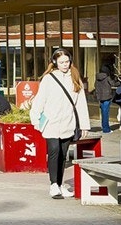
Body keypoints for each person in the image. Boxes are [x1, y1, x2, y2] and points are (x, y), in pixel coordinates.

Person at [29, 47, 90, 199]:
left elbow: (81, 103)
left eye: (67, 61)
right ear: (55, 62)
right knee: (54, 151)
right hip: (51, 122)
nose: (65, 64)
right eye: (61, 62)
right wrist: (35, 119)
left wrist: (84, 125)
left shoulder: (75, 78)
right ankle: (53, 184)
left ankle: (60, 183)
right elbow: (40, 99)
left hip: (68, 122)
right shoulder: (49, 79)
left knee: (63, 155)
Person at [93, 66, 117, 134]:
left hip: (100, 98)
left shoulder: (97, 78)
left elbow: (95, 86)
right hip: (107, 97)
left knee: (103, 113)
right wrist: (119, 82)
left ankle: (104, 127)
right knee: (106, 113)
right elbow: (113, 84)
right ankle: (106, 129)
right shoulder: (107, 77)